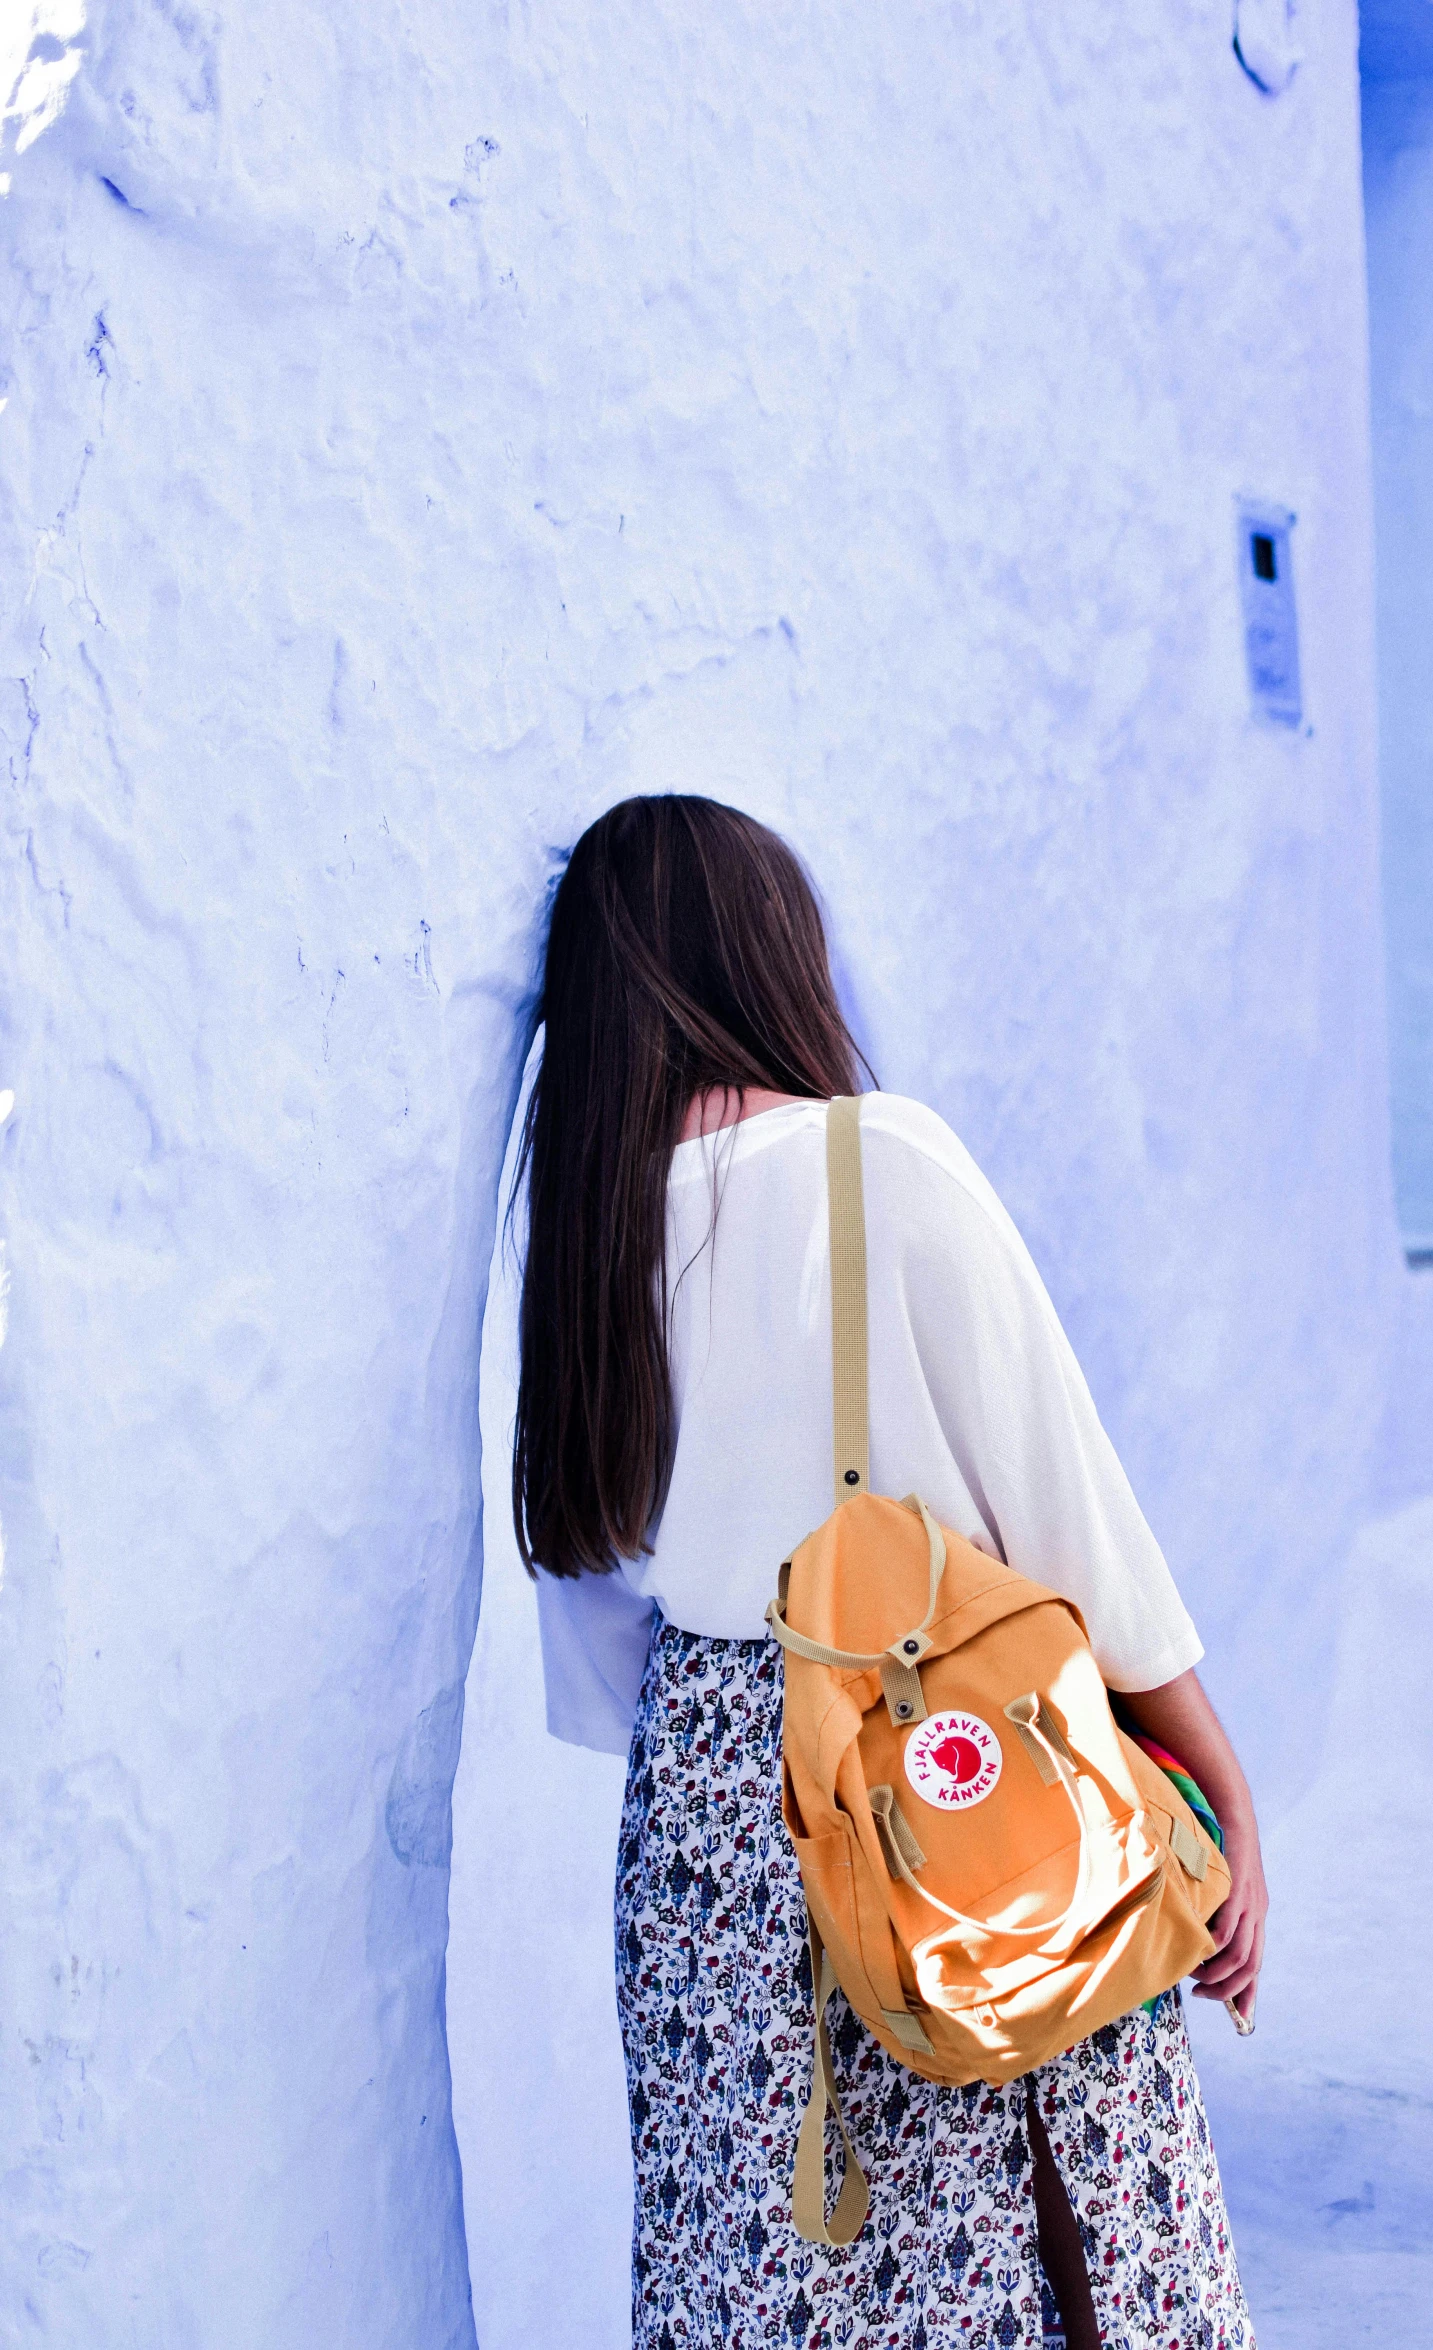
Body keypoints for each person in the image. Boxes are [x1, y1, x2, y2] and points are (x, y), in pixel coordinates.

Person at [514, 794, 1265, 2350]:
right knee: (1035, 2234)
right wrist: (1214, 1778)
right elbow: (1070, 1515)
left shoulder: (584, 1228)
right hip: (928, 1769)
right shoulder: (882, 1159)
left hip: (707, 1813)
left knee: (768, 2255)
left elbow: (596, 1637)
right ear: (769, 958)